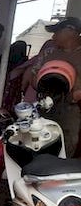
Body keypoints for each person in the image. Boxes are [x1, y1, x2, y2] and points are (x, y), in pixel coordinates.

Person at [22, 17, 81, 156]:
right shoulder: (49, 52)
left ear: (70, 31)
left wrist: (75, 95)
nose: (53, 36)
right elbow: (33, 76)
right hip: (45, 105)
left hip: (71, 108)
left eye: (57, 31)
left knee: (65, 146)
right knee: (37, 144)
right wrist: (42, 85)